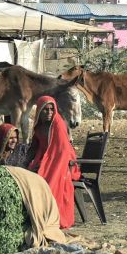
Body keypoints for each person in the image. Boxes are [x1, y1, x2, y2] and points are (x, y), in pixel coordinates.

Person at [25, 95, 80, 229]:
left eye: (51, 109)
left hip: (63, 162)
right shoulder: (39, 126)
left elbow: (62, 151)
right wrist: (26, 163)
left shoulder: (58, 124)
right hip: (46, 159)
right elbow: (35, 147)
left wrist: (48, 168)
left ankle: (50, 217)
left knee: (49, 181)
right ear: (39, 110)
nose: (49, 112)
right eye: (45, 109)